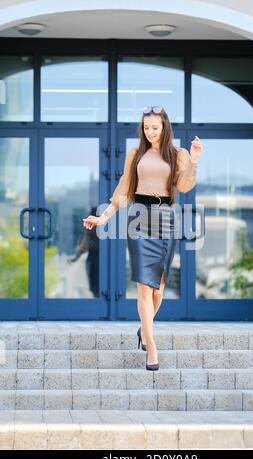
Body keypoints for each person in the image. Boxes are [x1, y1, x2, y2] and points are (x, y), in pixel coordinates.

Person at [83, 105, 204, 371]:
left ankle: (143, 330)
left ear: (165, 127)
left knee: (158, 288)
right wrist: (103, 217)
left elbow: (184, 185)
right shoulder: (136, 154)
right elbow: (124, 188)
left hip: (167, 218)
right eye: (146, 128)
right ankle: (151, 347)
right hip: (139, 218)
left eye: (155, 127)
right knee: (143, 287)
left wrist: (193, 160)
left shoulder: (178, 154)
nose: (150, 132)